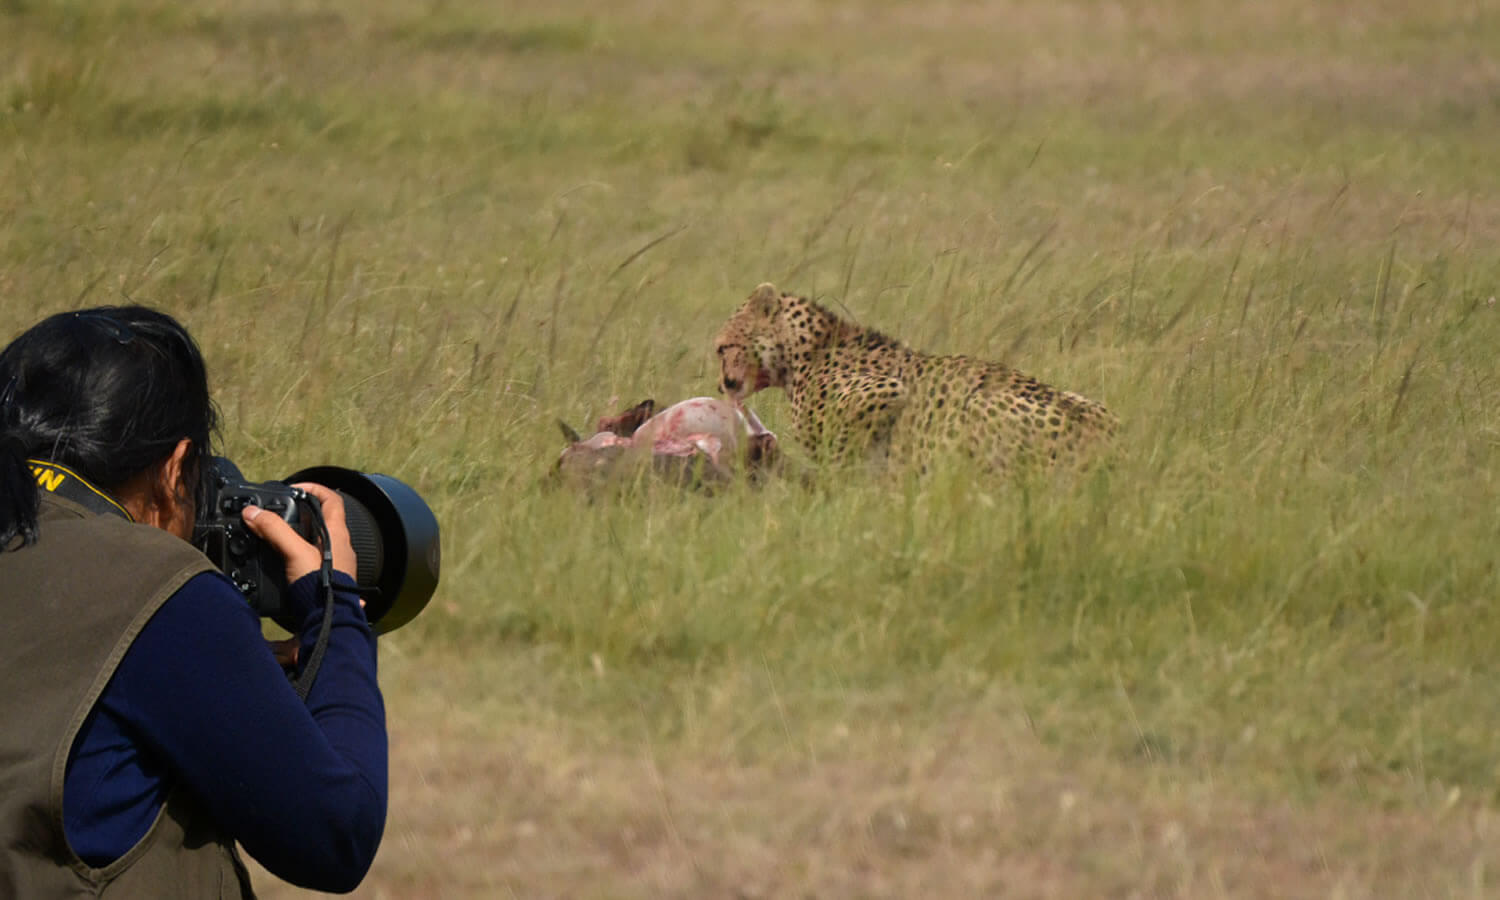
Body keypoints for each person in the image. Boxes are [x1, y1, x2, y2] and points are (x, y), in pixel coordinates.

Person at [0, 307, 386, 897]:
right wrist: (336, 606)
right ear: (175, 470)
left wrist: (232, 676)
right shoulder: (152, 584)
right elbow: (337, 835)